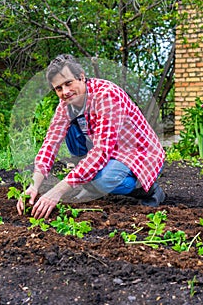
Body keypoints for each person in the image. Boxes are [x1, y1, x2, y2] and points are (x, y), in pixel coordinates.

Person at [17, 54, 166, 219]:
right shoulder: (66, 105)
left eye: (68, 83)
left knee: (104, 181)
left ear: (81, 77)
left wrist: (56, 191)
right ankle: (90, 183)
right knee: (71, 129)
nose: (65, 92)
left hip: (138, 154)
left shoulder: (107, 96)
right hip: (111, 151)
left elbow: (102, 151)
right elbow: (50, 143)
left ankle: (148, 190)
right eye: (59, 88)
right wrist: (33, 186)